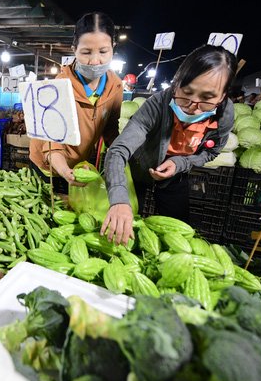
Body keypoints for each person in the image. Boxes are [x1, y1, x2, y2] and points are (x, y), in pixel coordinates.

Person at [101, 45, 237, 244]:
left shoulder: (224, 114)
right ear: (176, 84)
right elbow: (118, 150)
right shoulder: (157, 105)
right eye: (186, 93)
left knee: (178, 234)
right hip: (140, 169)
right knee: (123, 227)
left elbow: (211, 152)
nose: (192, 107)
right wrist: (120, 200)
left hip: (176, 176)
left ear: (223, 96)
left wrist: (179, 164)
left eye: (207, 98)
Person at [29, 12, 123, 187]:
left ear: (113, 48)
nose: (95, 61)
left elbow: (110, 129)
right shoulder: (58, 87)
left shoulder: (115, 86)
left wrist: (123, 155)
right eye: (86, 52)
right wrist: (65, 172)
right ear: (74, 50)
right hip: (49, 166)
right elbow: (52, 144)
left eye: (103, 51)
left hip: (80, 166)